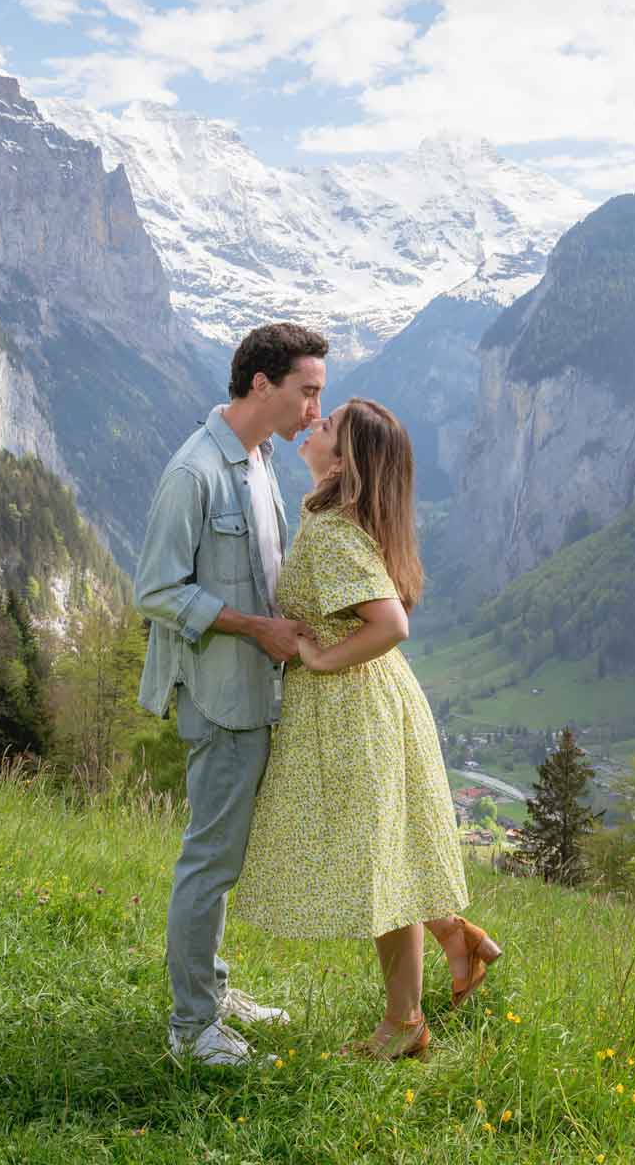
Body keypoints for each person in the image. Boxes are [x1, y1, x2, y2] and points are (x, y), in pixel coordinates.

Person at [231, 397, 502, 1060]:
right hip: (370, 704)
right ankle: (452, 940)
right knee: (380, 857)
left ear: (343, 460)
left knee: (377, 866)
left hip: (354, 712)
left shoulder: (330, 532)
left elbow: (391, 623)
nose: (313, 426)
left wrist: (318, 656)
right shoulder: (343, 519)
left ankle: (405, 1023)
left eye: (326, 428)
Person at [134, 322, 328, 1066]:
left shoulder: (258, 460)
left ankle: (210, 990)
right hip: (219, 695)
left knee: (224, 858)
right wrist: (255, 629)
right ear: (261, 385)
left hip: (259, 690)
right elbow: (155, 590)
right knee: (209, 860)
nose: (316, 408)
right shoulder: (196, 473)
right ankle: (191, 1031)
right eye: (307, 390)